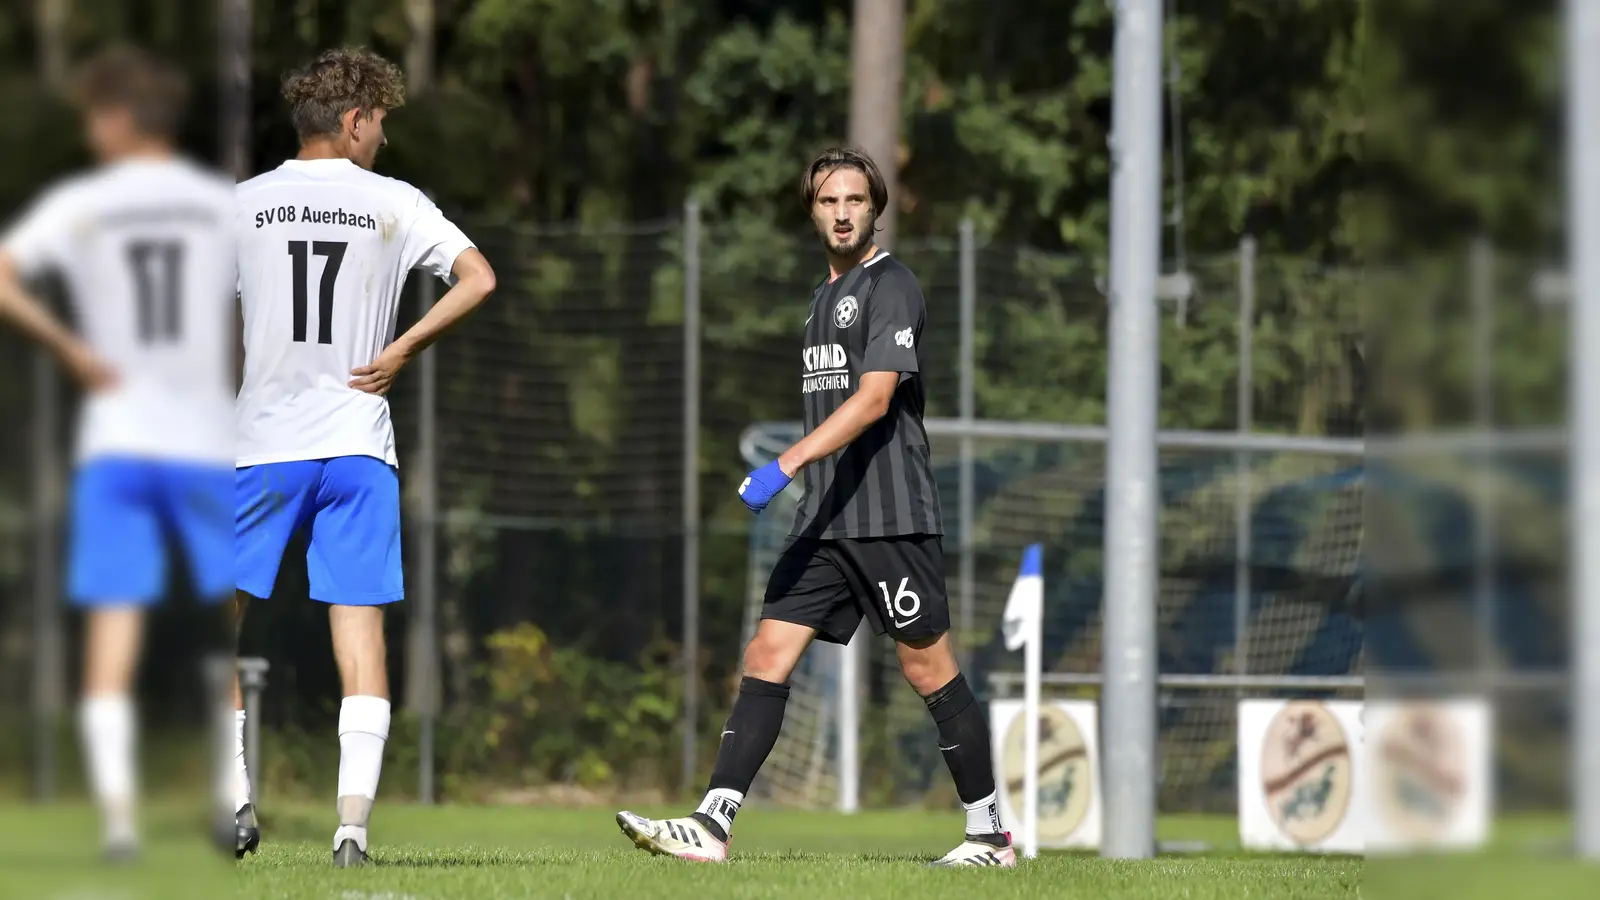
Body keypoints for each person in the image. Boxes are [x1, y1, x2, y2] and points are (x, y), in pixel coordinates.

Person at [616, 148, 1014, 867]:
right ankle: (713, 824)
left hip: (890, 516)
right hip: (827, 519)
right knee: (767, 652)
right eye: (829, 201)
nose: (841, 213)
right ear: (812, 211)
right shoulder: (819, 301)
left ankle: (989, 835)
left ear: (875, 207)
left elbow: (876, 398)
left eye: (855, 200)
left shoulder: (892, 285)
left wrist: (786, 462)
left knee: (927, 669)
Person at [233, 46, 496, 868]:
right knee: (361, 637)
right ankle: (351, 832)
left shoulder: (242, 204)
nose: (382, 138)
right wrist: (404, 346)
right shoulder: (393, 202)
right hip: (357, 448)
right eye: (380, 123)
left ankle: (234, 801)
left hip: (262, 449)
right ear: (353, 123)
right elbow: (479, 278)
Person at [0, 46, 237, 861]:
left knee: (113, 625)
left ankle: (120, 823)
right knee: (229, 621)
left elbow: (2, 277)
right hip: (205, 440)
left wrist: (69, 348)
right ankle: (230, 800)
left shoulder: (85, 204)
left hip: (117, 441)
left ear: (115, 119)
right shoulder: (217, 204)